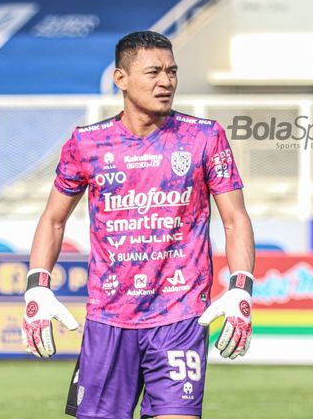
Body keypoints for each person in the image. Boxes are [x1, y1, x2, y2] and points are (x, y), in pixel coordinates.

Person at [22, 31, 255, 419]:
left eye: (172, 71)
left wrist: (241, 287)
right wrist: (37, 288)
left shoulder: (205, 137)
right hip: (108, 319)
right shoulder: (86, 144)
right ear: (121, 79)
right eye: (153, 72)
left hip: (181, 316)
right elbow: (53, 219)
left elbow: (235, 219)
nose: (166, 82)